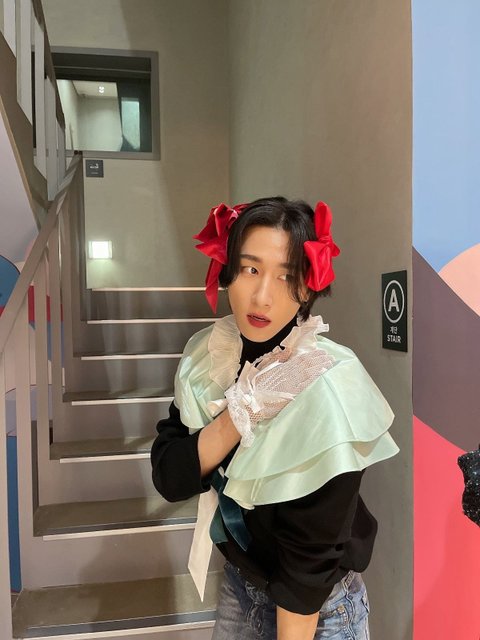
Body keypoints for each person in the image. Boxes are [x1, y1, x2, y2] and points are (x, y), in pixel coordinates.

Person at [151, 197, 399, 640]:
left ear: (308, 287)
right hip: (241, 584)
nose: (263, 296)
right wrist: (239, 414)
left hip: (317, 612)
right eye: (250, 269)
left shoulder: (330, 386)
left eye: (287, 276)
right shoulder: (209, 357)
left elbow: (307, 566)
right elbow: (171, 477)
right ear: (226, 271)